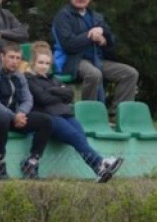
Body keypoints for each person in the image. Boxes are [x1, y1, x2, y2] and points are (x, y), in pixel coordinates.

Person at [25, 41, 121, 182]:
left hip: (66, 114)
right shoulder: (29, 79)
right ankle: (102, 163)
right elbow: (43, 98)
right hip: (49, 116)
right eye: (40, 62)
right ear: (33, 62)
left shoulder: (53, 79)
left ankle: (98, 170)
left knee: (81, 138)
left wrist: (52, 91)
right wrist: (59, 94)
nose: (44, 66)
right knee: (76, 137)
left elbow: (69, 94)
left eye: (47, 63)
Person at [0, 41, 52, 179]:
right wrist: (13, 117)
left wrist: (20, 114)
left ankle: (32, 162)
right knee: (1, 118)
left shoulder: (19, 76)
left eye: (18, 58)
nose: (15, 62)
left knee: (45, 121)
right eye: (11, 57)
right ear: (2, 57)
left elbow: (28, 99)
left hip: (12, 117)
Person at [51, 0, 137, 112]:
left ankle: (117, 115)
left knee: (130, 74)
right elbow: (69, 45)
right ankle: (90, 113)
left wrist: (103, 40)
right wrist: (89, 36)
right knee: (93, 74)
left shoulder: (96, 17)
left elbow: (112, 42)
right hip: (73, 60)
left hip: (98, 60)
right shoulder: (63, 16)